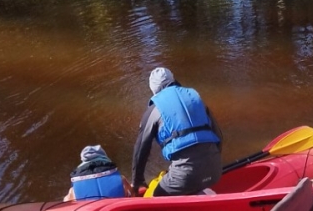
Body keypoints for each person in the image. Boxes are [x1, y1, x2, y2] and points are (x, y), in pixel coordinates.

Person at [130, 67, 223, 196]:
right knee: (184, 176)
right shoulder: (195, 97)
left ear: (154, 90)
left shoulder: (154, 109)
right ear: (173, 80)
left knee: (154, 197)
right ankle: (202, 190)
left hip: (185, 177)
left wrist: (137, 182)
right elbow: (218, 135)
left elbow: (141, 150)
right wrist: (210, 162)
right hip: (216, 171)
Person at [66, 144, 133, 201]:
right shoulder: (121, 179)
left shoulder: (73, 189)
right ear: (104, 157)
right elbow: (132, 195)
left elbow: (67, 202)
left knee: (70, 195)